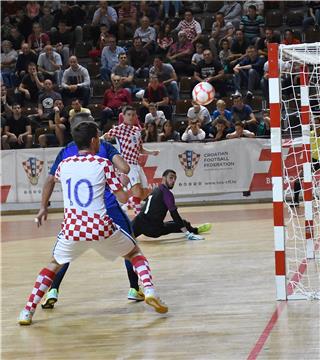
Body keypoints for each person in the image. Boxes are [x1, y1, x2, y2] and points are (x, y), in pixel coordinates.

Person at [18, 118, 168, 325]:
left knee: (53, 264)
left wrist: (44, 206)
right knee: (134, 253)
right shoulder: (103, 163)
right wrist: (123, 183)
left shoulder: (64, 165)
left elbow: (58, 180)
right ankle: (148, 290)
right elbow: (124, 198)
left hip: (72, 229)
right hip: (100, 227)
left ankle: (27, 311)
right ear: (94, 141)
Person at [104, 106, 160, 215]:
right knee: (137, 192)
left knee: (145, 192)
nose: (131, 117)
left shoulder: (137, 130)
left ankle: (126, 206)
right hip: (127, 165)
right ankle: (138, 217)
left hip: (137, 164)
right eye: (128, 115)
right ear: (123, 116)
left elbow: (140, 149)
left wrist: (151, 152)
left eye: (133, 115)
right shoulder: (118, 129)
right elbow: (104, 138)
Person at [132, 169, 211, 240]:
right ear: (163, 178)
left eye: (175, 179)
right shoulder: (167, 194)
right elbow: (174, 214)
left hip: (139, 223)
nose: (173, 181)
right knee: (184, 223)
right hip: (154, 229)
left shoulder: (155, 190)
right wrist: (187, 233)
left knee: (125, 236)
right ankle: (195, 230)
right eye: (171, 178)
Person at [290, 116, 320, 207]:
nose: (314, 125)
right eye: (314, 123)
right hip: (314, 160)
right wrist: (305, 164)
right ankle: (296, 201)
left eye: (317, 123)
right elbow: (307, 150)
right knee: (298, 180)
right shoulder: (310, 134)